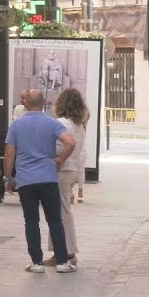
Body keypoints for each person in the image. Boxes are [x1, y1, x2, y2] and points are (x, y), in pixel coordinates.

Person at [5, 89, 78, 273]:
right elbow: (70, 142)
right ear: (44, 103)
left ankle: (36, 263)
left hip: (26, 180)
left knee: (31, 222)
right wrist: (60, 159)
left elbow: (9, 152)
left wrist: (8, 177)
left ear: (26, 104)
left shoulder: (16, 125)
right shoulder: (52, 123)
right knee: (55, 221)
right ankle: (62, 262)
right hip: (48, 178)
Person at [48, 88, 87, 267]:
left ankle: (69, 253)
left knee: (62, 212)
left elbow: (58, 147)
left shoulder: (62, 123)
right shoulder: (79, 125)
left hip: (62, 169)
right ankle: (59, 251)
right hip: (72, 170)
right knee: (57, 211)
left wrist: (58, 158)